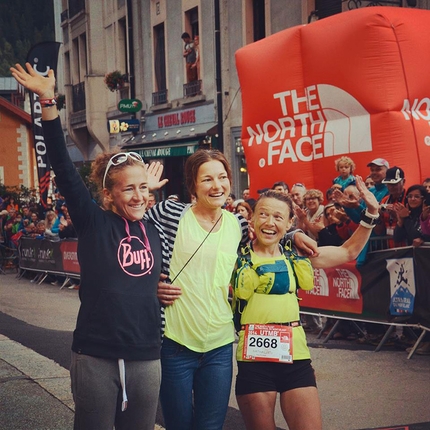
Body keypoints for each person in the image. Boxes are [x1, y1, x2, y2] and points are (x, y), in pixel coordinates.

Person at [11, 62, 164, 430]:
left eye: (144, 188)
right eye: (128, 188)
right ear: (108, 194)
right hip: (96, 353)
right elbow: (63, 168)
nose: (139, 195)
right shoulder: (94, 221)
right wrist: (48, 101)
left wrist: (164, 288)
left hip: (147, 355)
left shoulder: (153, 228)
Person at [148, 150, 317, 430]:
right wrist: (149, 285)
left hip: (219, 344)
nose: (217, 185)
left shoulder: (237, 224)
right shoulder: (170, 214)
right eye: (207, 179)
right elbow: (126, 239)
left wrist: (294, 233)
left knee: (211, 426)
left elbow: (265, 239)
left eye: (223, 177)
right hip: (176, 342)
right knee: (178, 424)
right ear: (193, 184)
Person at [232, 178, 379, 430]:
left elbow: (348, 252)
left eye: (278, 217)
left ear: (289, 222)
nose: (269, 222)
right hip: (253, 359)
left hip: (295, 358)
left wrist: (372, 214)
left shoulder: (296, 254)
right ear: (252, 218)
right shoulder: (234, 255)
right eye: (263, 214)